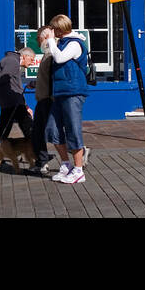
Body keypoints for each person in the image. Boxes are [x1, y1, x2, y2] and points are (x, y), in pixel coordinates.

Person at [42, 13, 89, 185]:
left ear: (60, 30)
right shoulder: (60, 43)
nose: (51, 31)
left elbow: (60, 57)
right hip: (59, 92)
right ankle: (66, 165)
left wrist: (52, 41)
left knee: (72, 130)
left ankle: (78, 171)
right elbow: (48, 53)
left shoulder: (75, 43)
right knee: (52, 129)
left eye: (53, 28)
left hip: (73, 92)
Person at [0, 45, 34, 168]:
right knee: (27, 129)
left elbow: (14, 86)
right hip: (12, 103)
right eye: (31, 59)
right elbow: (1, 79)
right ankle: (39, 156)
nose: (32, 63)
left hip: (12, 102)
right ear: (25, 56)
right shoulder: (13, 62)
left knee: (4, 129)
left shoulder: (12, 61)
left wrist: (25, 105)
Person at [30, 26, 55, 171]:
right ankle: (41, 161)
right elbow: (46, 76)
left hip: (47, 98)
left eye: (38, 38)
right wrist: (36, 83)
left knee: (45, 131)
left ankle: (42, 161)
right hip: (43, 97)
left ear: (45, 38)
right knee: (39, 131)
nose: (37, 41)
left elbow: (53, 77)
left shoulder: (51, 53)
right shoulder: (47, 53)